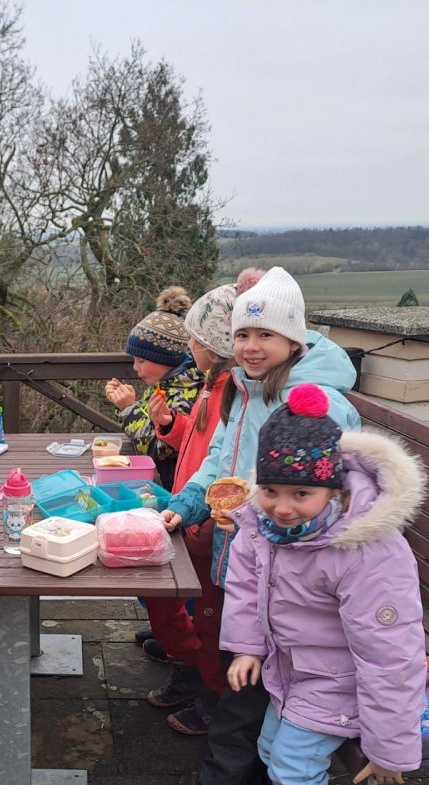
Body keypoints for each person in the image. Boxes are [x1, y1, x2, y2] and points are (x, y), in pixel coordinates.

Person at [155, 266, 362, 785]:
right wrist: (189, 504)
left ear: (293, 339)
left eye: (265, 334)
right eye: (242, 335)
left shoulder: (311, 403)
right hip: (248, 560)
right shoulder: (245, 389)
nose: (250, 346)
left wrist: (259, 512)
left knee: (243, 684)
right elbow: (220, 461)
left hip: (289, 573)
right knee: (244, 675)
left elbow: (333, 494)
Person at [222, 383, 427, 785]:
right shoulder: (262, 526)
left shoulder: (365, 550)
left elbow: (391, 652)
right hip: (294, 670)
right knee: (271, 749)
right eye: (271, 490)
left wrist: (389, 747)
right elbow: (245, 586)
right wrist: (247, 648)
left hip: (343, 681)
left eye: (300, 495)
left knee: (292, 766)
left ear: (333, 490)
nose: (281, 507)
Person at [143, 270, 262, 735]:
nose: (188, 348)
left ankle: (209, 693)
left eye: (193, 340)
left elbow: (225, 465)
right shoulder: (216, 388)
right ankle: (192, 670)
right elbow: (202, 449)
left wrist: (197, 511)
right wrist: (169, 425)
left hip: (212, 525)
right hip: (193, 511)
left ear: (212, 346)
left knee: (207, 618)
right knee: (185, 607)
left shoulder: (232, 392)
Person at [104, 304, 203, 491]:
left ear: (166, 359)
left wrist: (129, 408)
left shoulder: (185, 394)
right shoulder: (167, 384)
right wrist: (127, 403)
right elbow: (150, 423)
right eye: (134, 360)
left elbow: (156, 449)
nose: (135, 367)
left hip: (174, 489)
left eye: (142, 360)